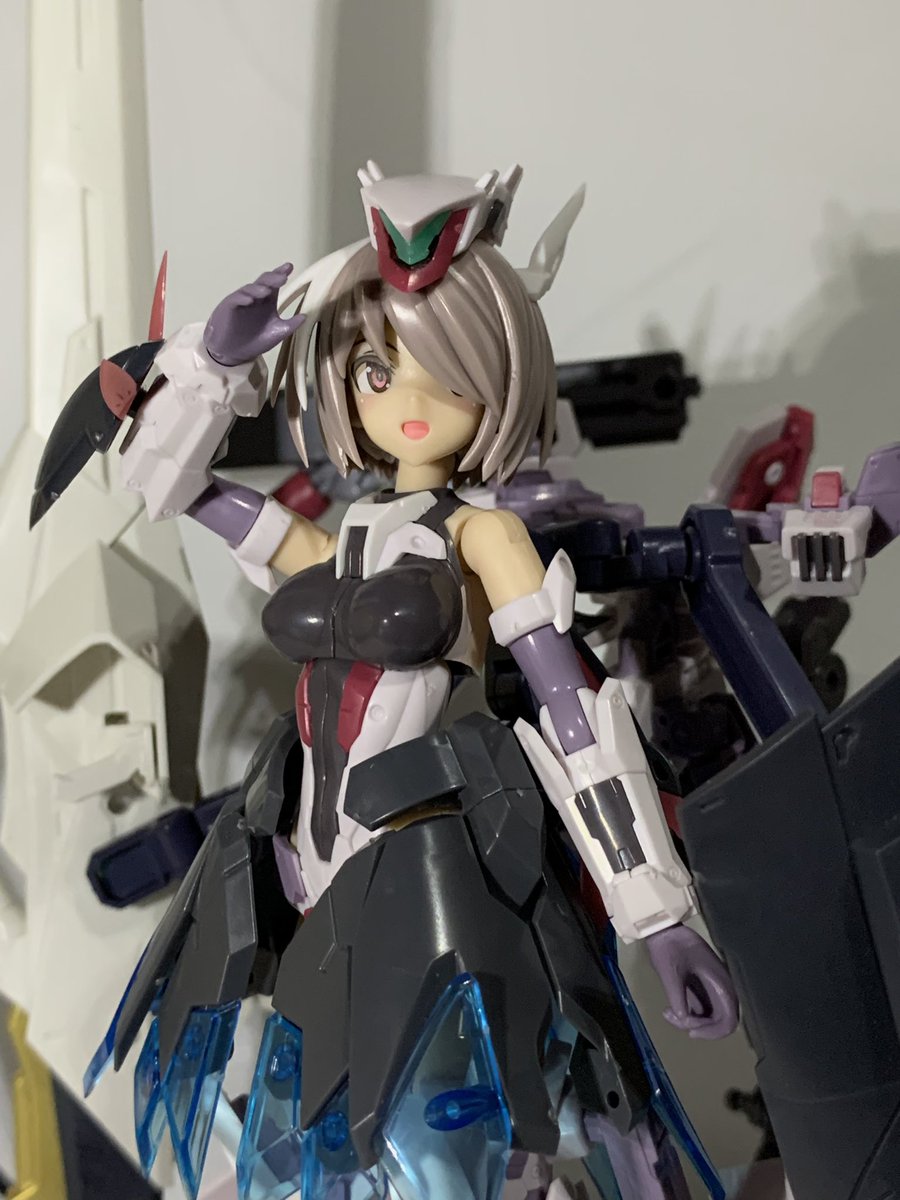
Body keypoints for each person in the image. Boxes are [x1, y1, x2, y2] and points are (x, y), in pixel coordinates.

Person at [82, 163, 737, 1200]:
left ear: (498, 380)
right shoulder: (342, 535)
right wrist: (210, 366)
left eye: (448, 373)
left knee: (455, 1144)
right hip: (308, 868)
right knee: (320, 1142)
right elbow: (166, 486)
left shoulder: (485, 537)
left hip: (429, 877)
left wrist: (657, 918)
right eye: (379, 370)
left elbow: (575, 723)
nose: (411, 402)